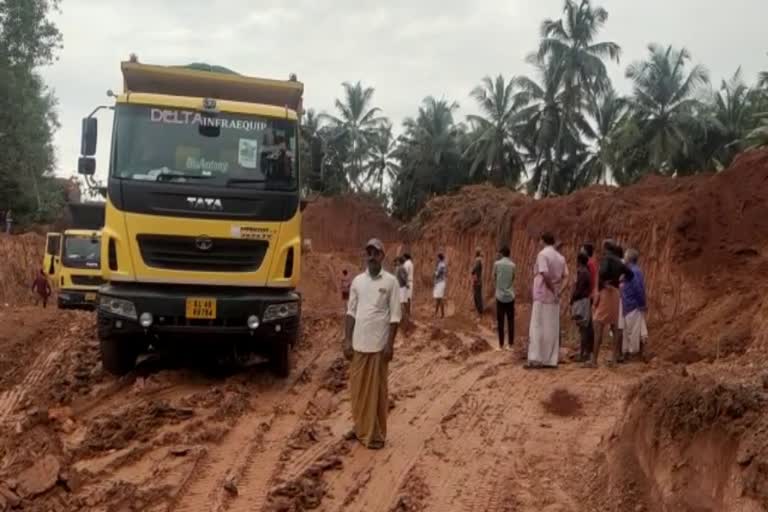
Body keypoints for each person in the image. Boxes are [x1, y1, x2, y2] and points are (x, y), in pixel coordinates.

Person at [344, 238, 401, 449]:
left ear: (382, 256)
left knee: (377, 392)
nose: (371, 256)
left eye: (375, 253)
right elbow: (350, 312)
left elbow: (395, 315)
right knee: (357, 390)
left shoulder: (391, 282)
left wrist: (390, 345)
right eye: (368, 252)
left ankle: (375, 435)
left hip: (378, 346)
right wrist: (347, 340)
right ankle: (359, 427)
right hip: (359, 343)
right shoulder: (358, 281)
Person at [588, 240, 634, 368]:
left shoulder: (607, 258)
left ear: (605, 247)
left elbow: (602, 273)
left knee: (598, 325)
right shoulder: (619, 261)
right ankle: (614, 359)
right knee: (614, 327)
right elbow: (630, 275)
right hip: (615, 293)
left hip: (606, 293)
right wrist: (619, 280)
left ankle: (594, 361)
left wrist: (603, 284)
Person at [527, 232, 566, 369]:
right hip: (554, 299)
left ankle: (536, 359)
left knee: (537, 327)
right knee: (551, 328)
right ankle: (550, 360)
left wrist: (552, 290)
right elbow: (566, 276)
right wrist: (559, 291)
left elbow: (544, 274)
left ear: (543, 241)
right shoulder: (561, 258)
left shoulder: (542, 255)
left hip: (541, 295)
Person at [621, 248, 648, 358]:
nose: (624, 258)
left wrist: (641, 304)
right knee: (633, 330)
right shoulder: (634, 270)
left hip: (632, 304)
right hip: (630, 304)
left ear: (629, 258)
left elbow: (638, 289)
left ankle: (633, 354)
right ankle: (633, 353)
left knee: (633, 332)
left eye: (625, 256)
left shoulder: (633, 272)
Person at [570, 253, 594, 362]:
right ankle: (585, 352)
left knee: (583, 328)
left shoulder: (583, 273)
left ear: (579, 261)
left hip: (582, 302)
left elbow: (578, 290)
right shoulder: (586, 272)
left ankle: (583, 353)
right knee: (584, 327)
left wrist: (572, 299)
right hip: (584, 301)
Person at [492, 246, 516, 351]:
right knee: (510, 321)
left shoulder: (497, 264)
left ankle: (501, 345)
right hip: (510, 295)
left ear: (501, 253)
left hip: (499, 295)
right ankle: (510, 345)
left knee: (500, 320)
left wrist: (498, 286)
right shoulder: (513, 265)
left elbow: (493, 277)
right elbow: (513, 278)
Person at [432, 253, 447, 318]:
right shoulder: (441, 264)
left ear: (439, 258)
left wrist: (434, 273)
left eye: (437, 258)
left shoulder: (441, 265)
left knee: (440, 298)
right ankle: (436, 313)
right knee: (438, 298)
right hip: (439, 282)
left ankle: (442, 314)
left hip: (440, 283)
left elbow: (437, 274)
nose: (436, 259)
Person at [402, 253, 414, 324]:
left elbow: (405, 273)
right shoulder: (411, 263)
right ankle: (408, 313)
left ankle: (407, 313)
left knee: (406, 298)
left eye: (403, 257)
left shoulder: (406, 264)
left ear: (405, 257)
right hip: (410, 281)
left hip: (407, 282)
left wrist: (405, 283)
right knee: (409, 298)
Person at [471, 249, 483, 316]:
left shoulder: (478, 260)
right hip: (477, 280)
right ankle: (479, 310)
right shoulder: (479, 260)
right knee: (477, 296)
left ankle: (479, 312)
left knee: (477, 296)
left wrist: (472, 271)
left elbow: (475, 269)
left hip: (477, 281)